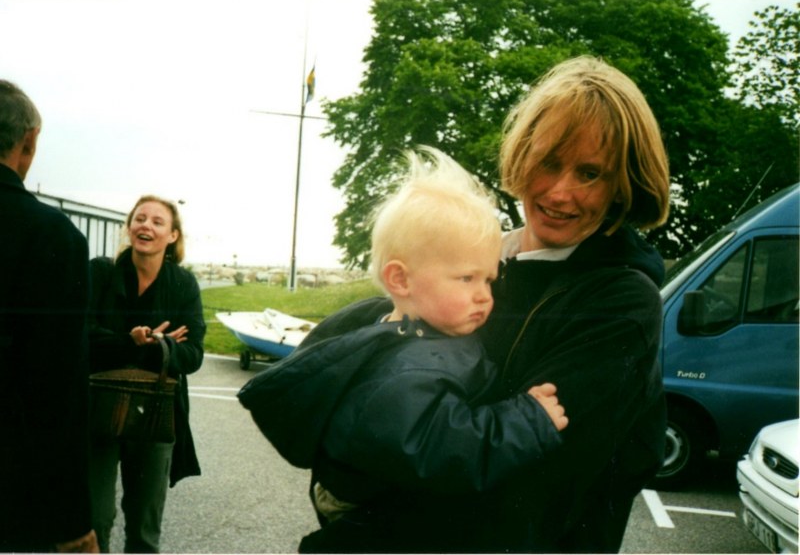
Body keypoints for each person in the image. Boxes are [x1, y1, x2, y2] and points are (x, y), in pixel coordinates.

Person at [292, 55, 671, 553]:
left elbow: (525, 495)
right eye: (550, 162)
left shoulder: (619, 302)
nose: (561, 191)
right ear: (522, 155)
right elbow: (336, 381)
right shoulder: (482, 258)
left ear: (623, 182)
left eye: (590, 173)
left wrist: (353, 521)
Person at [238, 147, 569, 553]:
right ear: (401, 279)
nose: (485, 297)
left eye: (489, 279)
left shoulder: (415, 335)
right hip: (372, 521)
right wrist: (528, 421)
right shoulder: (407, 367)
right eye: (466, 278)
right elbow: (442, 449)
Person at [0, 80, 99, 552]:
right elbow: (56, 392)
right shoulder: (53, 238)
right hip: (15, 493)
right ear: (29, 141)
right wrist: (73, 521)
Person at [87, 195, 206, 553]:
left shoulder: (183, 285)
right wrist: (131, 341)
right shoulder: (99, 273)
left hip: (155, 415)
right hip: (96, 408)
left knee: (143, 526)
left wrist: (159, 346)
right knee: (94, 519)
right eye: (140, 219)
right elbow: (80, 335)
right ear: (129, 227)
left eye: (157, 222)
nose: (146, 226)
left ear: (172, 236)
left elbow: (193, 354)